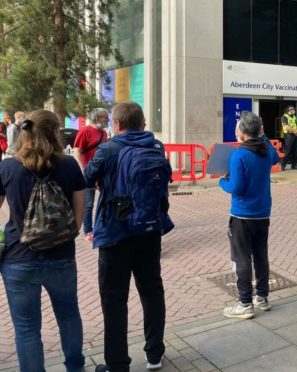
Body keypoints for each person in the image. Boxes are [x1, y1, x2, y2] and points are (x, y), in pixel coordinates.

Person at [84, 102, 174, 372]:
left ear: (118, 125)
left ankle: (117, 363)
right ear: (142, 123)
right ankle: (155, 354)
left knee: (114, 299)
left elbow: (87, 177)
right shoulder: (156, 147)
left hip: (115, 233)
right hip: (149, 230)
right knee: (152, 291)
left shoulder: (109, 149)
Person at [0, 110, 86, 372]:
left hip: (18, 258)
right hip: (60, 257)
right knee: (69, 315)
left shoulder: (7, 167)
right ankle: (75, 367)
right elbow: (79, 217)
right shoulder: (69, 165)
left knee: (26, 328)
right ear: (55, 132)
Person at [219, 111, 280, 319]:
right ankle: (261, 297)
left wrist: (222, 181)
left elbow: (236, 187)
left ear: (243, 132)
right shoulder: (265, 151)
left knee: (242, 258)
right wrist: (262, 133)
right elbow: (275, 158)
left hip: (242, 215)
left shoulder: (239, 155)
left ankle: (244, 303)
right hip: (262, 214)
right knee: (261, 256)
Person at [73, 108, 109, 242]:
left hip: (102, 173)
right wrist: (82, 170)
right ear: (97, 118)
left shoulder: (104, 133)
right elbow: (77, 151)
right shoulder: (85, 131)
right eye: (105, 117)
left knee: (105, 200)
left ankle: (101, 226)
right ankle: (88, 230)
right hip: (88, 172)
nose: (107, 120)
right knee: (88, 204)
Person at [280, 105, 297, 171]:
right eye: (291, 109)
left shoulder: (294, 117)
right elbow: (286, 127)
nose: (293, 110)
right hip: (288, 135)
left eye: (293, 109)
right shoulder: (284, 117)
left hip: (295, 135)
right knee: (287, 151)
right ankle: (283, 165)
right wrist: (294, 131)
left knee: (295, 151)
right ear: (288, 110)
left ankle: (294, 165)